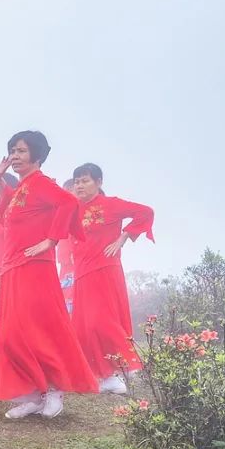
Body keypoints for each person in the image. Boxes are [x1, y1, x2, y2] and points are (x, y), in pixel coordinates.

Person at [0, 131, 98, 419]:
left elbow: (69, 203)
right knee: (12, 334)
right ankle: (33, 394)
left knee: (39, 331)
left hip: (35, 267)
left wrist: (51, 240)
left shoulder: (40, 184)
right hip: (13, 265)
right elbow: (6, 212)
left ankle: (54, 388)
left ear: (36, 155)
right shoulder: (23, 187)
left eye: (21, 151)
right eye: (12, 151)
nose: (15, 156)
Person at [70, 163, 154, 394]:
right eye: (77, 181)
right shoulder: (72, 208)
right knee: (85, 327)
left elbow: (145, 211)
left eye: (85, 180)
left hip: (105, 269)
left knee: (102, 320)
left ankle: (129, 362)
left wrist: (125, 236)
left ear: (99, 182)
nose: (80, 185)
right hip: (82, 272)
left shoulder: (111, 204)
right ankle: (107, 376)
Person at [58, 178, 78, 314]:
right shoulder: (64, 211)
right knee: (63, 295)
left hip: (73, 261)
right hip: (64, 261)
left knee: (71, 295)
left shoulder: (77, 210)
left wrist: (73, 252)